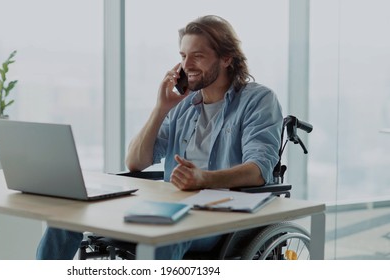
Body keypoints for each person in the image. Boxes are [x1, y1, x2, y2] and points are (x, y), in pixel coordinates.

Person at [36, 15, 283, 260]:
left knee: (166, 233)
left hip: (223, 219)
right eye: (183, 56)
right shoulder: (182, 106)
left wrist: (203, 179)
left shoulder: (258, 101)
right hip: (169, 207)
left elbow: (258, 170)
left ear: (226, 58)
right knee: (66, 218)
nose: (187, 65)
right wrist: (160, 108)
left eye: (198, 56)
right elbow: (135, 162)